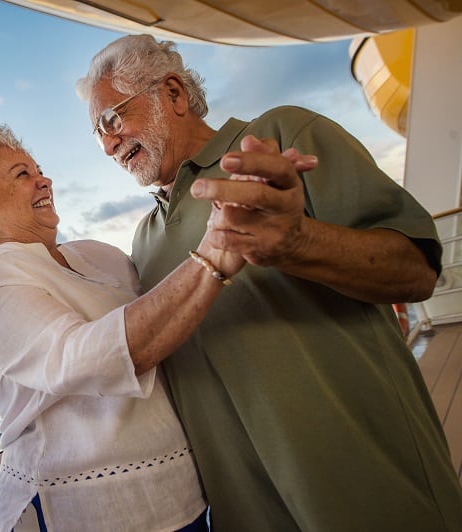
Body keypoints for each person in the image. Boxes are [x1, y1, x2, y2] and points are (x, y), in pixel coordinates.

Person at [76, 34, 462, 531]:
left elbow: (417, 270)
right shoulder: (144, 242)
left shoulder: (284, 136)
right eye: (97, 135)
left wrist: (298, 242)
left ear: (172, 94)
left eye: (113, 119)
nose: (108, 144)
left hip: (371, 485)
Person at [0, 119, 285, 531]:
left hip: (181, 493)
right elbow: (83, 358)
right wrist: (214, 252)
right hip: (88, 509)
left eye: (38, 169)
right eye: (22, 174)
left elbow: (166, 311)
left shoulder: (98, 254)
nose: (43, 180)